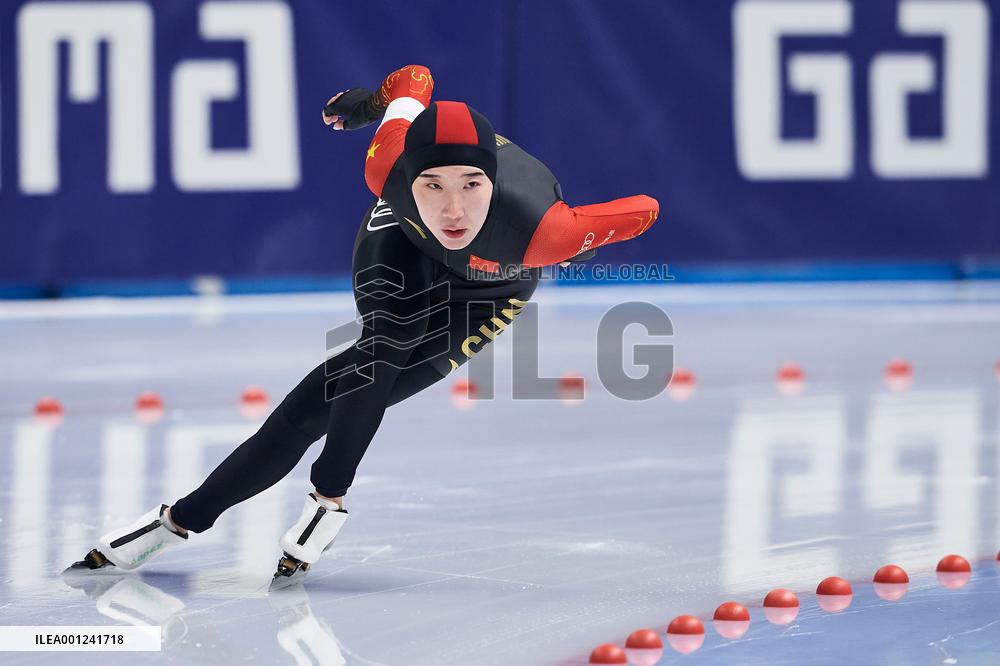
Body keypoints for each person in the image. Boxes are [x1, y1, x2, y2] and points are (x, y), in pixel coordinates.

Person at [65, 64, 660, 587]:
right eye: (432, 185)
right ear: (407, 176)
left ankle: (250, 509)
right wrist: (371, 106)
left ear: (493, 183)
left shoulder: (543, 233)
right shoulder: (385, 163)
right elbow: (413, 80)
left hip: (494, 285)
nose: (453, 211)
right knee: (376, 350)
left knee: (326, 400)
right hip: (402, 242)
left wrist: (578, 237)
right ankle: (232, 513)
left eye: (471, 186)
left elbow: (645, 209)